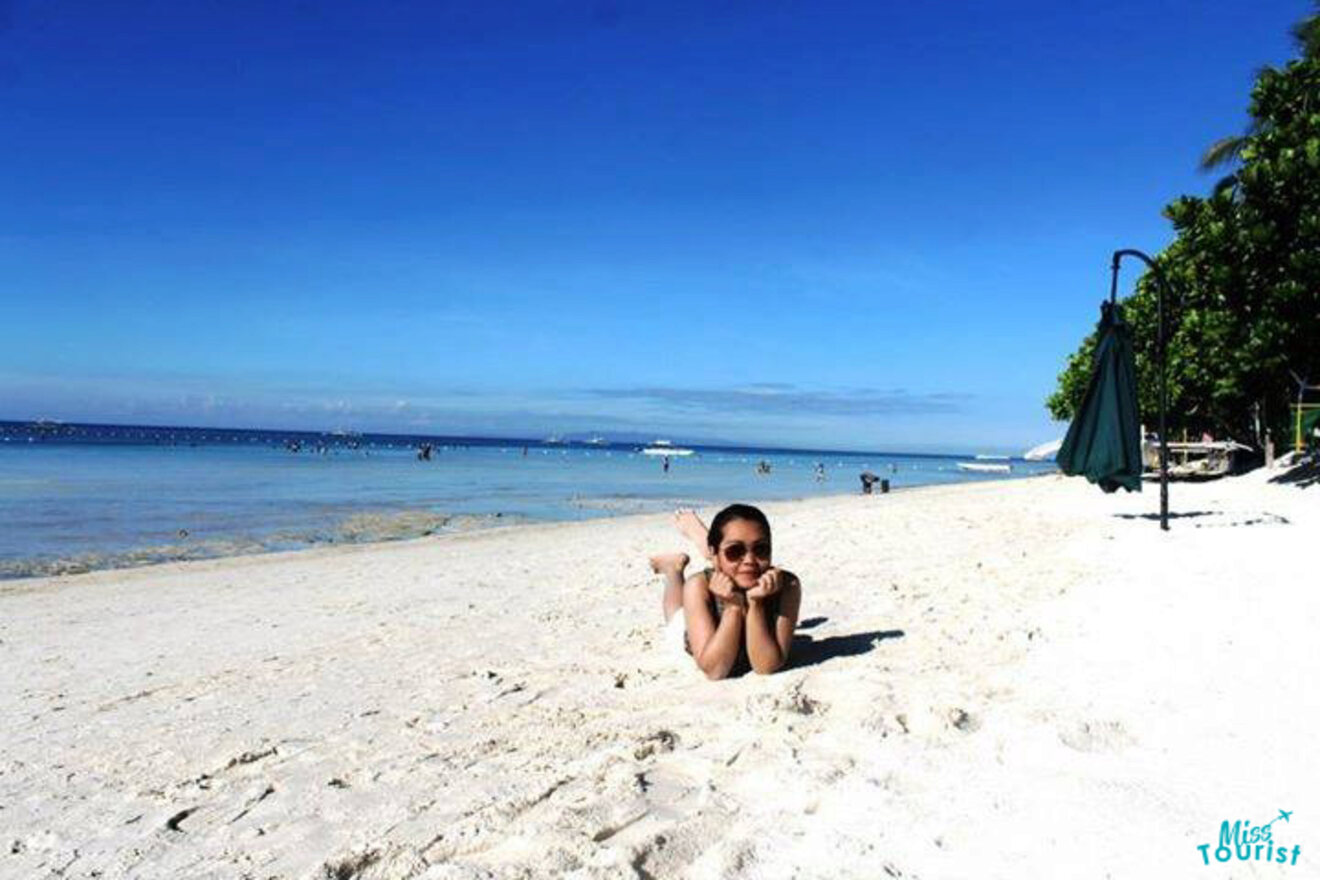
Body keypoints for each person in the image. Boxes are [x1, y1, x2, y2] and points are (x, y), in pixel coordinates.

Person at [649, 505, 802, 679]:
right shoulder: (699, 585)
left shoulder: (788, 585)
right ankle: (673, 568)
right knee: (676, 616)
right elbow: (714, 671)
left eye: (761, 549)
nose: (750, 560)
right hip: (697, 636)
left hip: (721, 561)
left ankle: (715, 546)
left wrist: (756, 604)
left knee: (733, 561)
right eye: (735, 551)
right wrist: (732, 608)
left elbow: (765, 666)